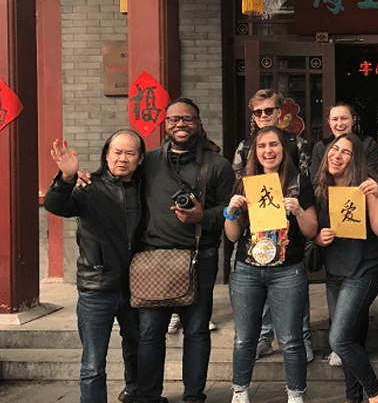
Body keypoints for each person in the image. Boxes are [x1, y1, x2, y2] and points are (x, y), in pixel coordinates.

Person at [136, 98, 236, 403]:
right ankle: (149, 396)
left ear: (198, 123)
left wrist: (203, 216)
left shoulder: (216, 165)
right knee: (150, 332)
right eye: (174, 119)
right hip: (154, 257)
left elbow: (231, 210)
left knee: (196, 330)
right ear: (165, 124)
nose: (180, 124)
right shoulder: (149, 161)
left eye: (187, 119)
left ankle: (194, 396)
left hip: (200, 256)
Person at [44, 131, 146, 403]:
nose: (122, 159)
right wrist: (66, 178)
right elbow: (55, 205)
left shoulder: (145, 189)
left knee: (138, 351)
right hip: (97, 286)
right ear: (106, 155)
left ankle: (135, 394)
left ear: (140, 159)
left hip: (136, 287)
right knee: (92, 363)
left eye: (130, 153)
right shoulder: (89, 187)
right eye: (117, 152)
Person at [224, 126, 317, 403]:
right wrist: (231, 212)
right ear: (254, 152)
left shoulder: (299, 182)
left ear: (284, 149)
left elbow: (311, 230)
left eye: (274, 144)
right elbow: (233, 236)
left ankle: (295, 394)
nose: (268, 151)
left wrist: (298, 210)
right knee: (244, 338)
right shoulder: (244, 183)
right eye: (262, 146)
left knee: (290, 339)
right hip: (247, 270)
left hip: (287, 270)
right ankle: (240, 391)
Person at [229, 88, 314, 363]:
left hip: (290, 225)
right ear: (253, 116)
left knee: (293, 282)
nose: (263, 115)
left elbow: (305, 181)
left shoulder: (298, 144)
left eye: (269, 110)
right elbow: (240, 182)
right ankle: (264, 337)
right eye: (258, 112)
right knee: (259, 273)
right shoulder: (244, 147)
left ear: (280, 113)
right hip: (256, 224)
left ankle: (302, 336)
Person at [314, 133, 378, 403]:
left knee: (339, 340)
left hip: (365, 269)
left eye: (346, 152)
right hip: (335, 270)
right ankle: (352, 397)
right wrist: (318, 238)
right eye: (334, 149)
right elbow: (312, 229)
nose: (337, 155)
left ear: (355, 159)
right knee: (351, 337)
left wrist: (377, 196)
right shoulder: (320, 187)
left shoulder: (367, 184)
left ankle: (375, 391)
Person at [309, 101, 378, 181]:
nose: (339, 124)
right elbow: (315, 180)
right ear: (329, 122)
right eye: (335, 119)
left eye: (344, 119)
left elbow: (373, 178)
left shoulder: (368, 144)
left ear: (353, 120)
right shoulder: (320, 147)